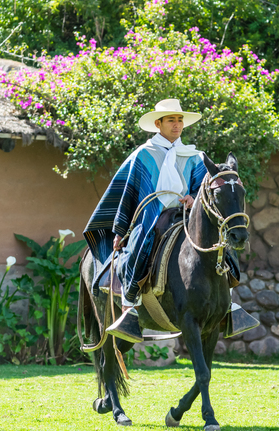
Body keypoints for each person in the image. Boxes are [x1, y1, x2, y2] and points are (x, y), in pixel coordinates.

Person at [83, 99, 207, 343]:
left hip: (186, 218)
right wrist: (119, 230)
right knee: (142, 242)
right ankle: (130, 304)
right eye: (171, 120)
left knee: (218, 245)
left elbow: (202, 188)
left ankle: (229, 305)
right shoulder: (143, 155)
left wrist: (194, 197)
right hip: (151, 216)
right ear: (158, 124)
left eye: (180, 119)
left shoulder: (194, 156)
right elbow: (128, 194)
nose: (177, 124)